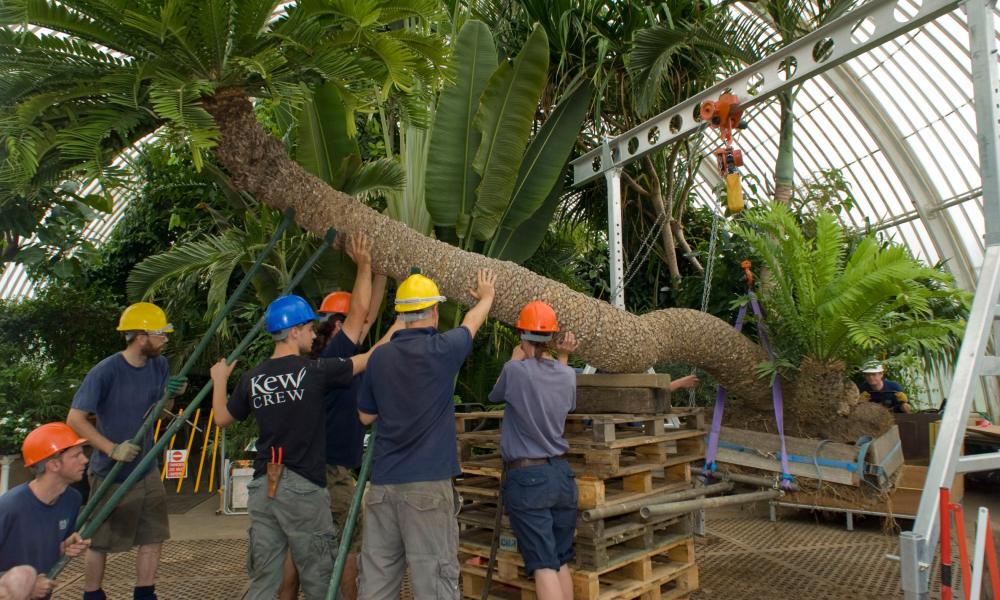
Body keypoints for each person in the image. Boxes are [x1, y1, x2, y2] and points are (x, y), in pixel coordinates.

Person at [210, 267, 381, 600]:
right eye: (307, 328)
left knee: (265, 577)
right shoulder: (312, 372)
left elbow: (221, 418)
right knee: (319, 577)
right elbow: (365, 359)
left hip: (262, 488)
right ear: (293, 332)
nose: (313, 335)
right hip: (303, 486)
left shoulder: (254, 377)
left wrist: (219, 379)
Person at [356, 268, 497, 600]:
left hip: (383, 486)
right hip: (427, 488)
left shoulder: (379, 358)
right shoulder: (443, 350)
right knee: (434, 582)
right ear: (434, 311)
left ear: (401, 315)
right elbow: (471, 323)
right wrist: (487, 295)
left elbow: (364, 415)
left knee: (376, 582)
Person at [279, 236, 386, 600]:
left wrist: (382, 272)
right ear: (337, 325)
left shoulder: (318, 359)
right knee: (347, 550)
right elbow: (362, 319)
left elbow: (365, 319)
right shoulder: (337, 355)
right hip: (333, 473)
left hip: (306, 469)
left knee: (298, 549)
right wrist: (365, 264)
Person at [66, 303, 186, 600]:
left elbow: (161, 412)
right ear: (141, 337)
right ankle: (92, 595)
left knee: (153, 535)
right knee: (99, 540)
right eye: (160, 334)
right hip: (111, 472)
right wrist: (111, 448)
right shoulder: (106, 372)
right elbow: (75, 419)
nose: (165, 339)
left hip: (146, 468)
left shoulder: (160, 365)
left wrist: (170, 396)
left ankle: (145, 593)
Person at [489, 301, 579, 600]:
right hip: (561, 476)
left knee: (542, 565)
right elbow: (559, 397)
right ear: (553, 338)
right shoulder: (567, 375)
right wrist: (563, 356)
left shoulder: (516, 372)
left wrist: (517, 360)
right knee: (560, 558)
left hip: (529, 479)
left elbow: (495, 396)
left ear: (522, 335)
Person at [0, 423, 92, 600]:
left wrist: (65, 546)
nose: (85, 460)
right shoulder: (9, 506)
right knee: (23, 576)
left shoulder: (72, 499)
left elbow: (48, 546)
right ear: (54, 465)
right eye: (77, 455)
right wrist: (21, 586)